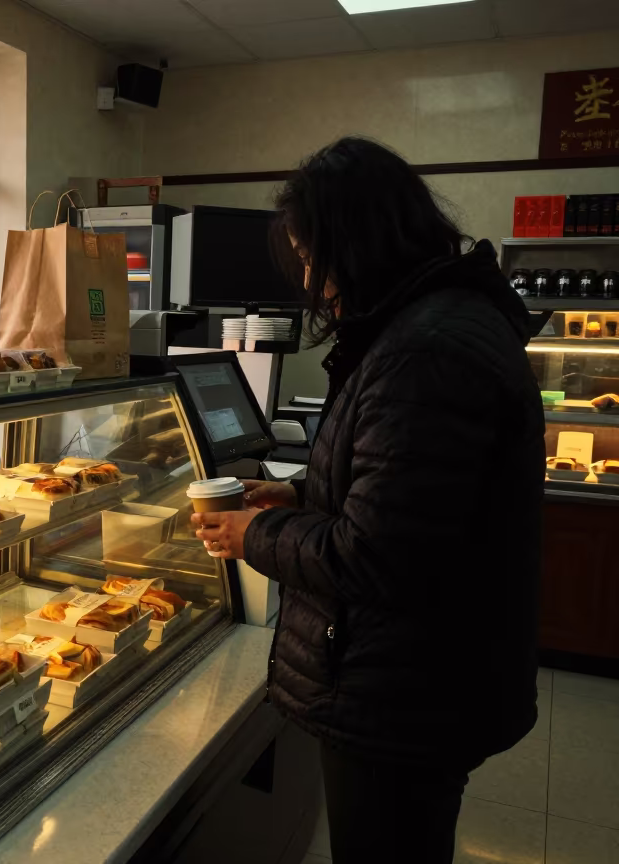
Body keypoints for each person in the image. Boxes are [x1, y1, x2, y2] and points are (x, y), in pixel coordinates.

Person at [192, 137, 544, 862]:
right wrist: (296, 490)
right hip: (426, 676)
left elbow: (379, 555)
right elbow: (408, 493)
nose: (316, 285)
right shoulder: (436, 323)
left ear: (356, 244)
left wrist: (249, 535)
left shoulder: (428, 351)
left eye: (312, 256)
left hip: (404, 692)